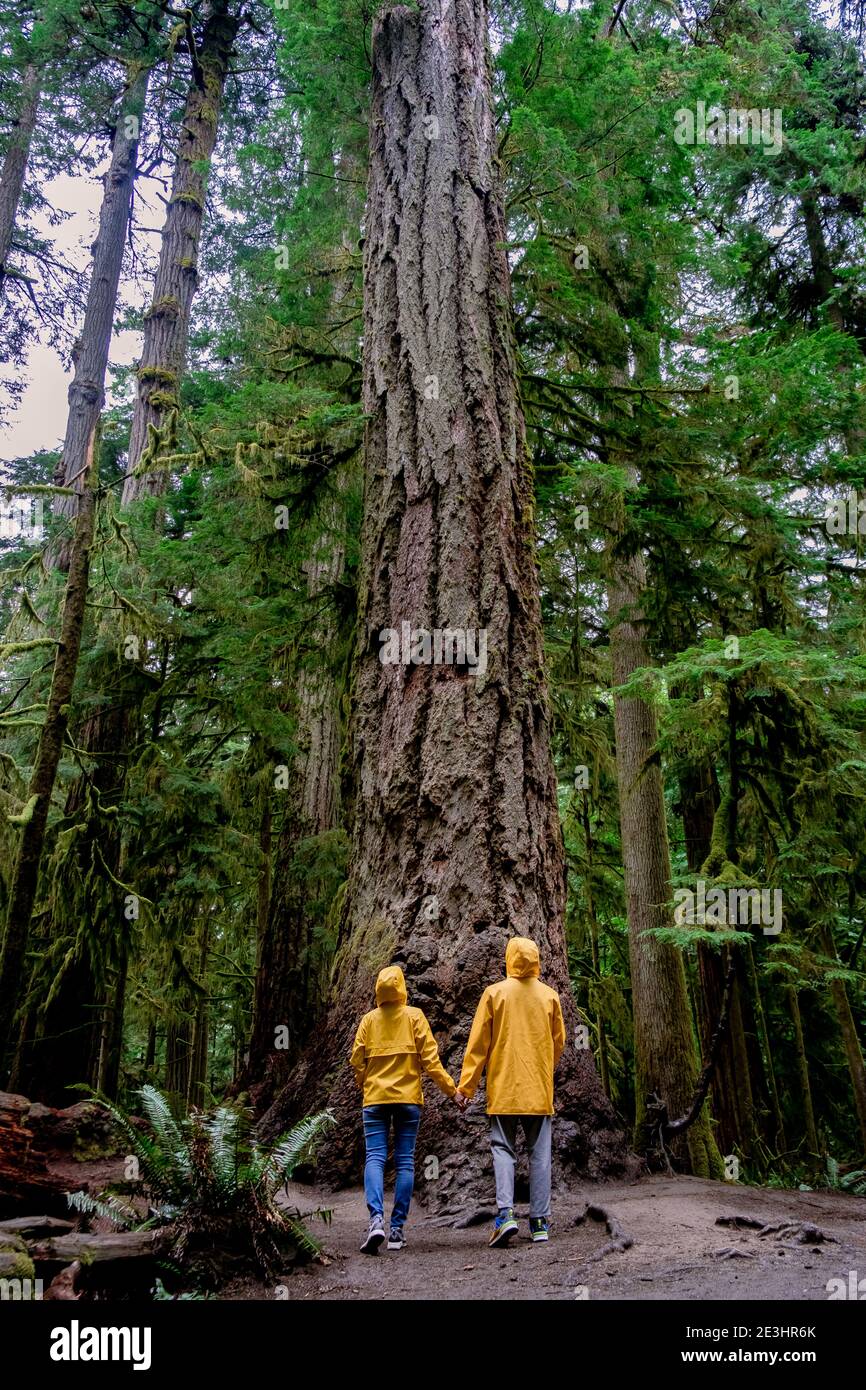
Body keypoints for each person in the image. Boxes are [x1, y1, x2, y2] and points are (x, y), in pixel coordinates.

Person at [456, 936, 566, 1247]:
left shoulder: (494, 994)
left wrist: (467, 1086)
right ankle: (540, 1221)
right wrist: (544, 1067)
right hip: (538, 1089)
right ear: (536, 960)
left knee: (503, 1149)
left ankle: (506, 1215)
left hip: (504, 1087)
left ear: (508, 959)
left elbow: (478, 1044)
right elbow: (559, 1042)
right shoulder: (549, 997)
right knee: (540, 1154)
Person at [351, 964, 460, 1254]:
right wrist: (453, 1092)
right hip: (408, 1100)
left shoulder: (368, 1021)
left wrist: (364, 1082)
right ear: (402, 989)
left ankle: (376, 1220)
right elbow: (432, 1063)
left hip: (374, 1100)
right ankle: (397, 1230)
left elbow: (356, 1060)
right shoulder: (415, 1017)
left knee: (375, 1157)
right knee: (405, 1161)